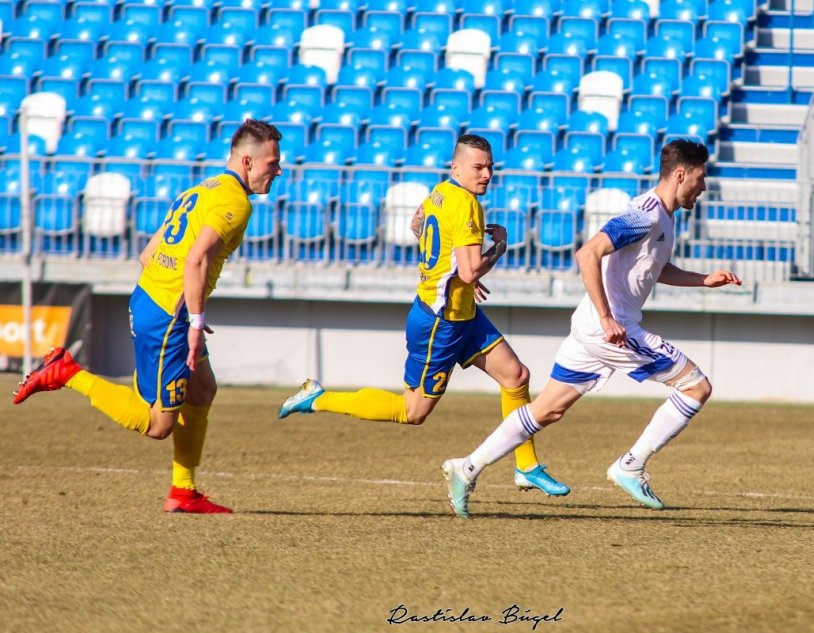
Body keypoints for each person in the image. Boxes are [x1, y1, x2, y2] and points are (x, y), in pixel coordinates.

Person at [441, 139, 743, 518]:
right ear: (681, 174)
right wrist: (606, 317)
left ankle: (466, 468)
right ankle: (630, 465)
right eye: (700, 178)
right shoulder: (644, 215)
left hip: (591, 327)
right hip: (610, 328)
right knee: (696, 387)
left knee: (547, 409)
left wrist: (703, 280)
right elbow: (588, 253)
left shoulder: (664, 218)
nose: (703, 186)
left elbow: (653, 269)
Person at [13, 119, 284, 514]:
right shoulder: (235, 202)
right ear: (247, 161)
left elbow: (148, 253)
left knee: (202, 390)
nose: (278, 170)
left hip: (153, 300)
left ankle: (184, 492)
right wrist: (190, 320)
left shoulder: (202, 189)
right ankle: (67, 372)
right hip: (168, 316)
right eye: (272, 163)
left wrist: (183, 305)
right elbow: (196, 259)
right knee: (158, 424)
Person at [277, 134, 570, 496]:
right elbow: (469, 270)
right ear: (457, 167)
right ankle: (318, 397)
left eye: (491, 167)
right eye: (479, 167)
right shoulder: (466, 205)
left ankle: (527, 466)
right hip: (440, 323)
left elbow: (418, 227)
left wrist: (458, 275)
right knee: (412, 411)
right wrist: (497, 249)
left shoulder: (438, 193)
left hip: (462, 313)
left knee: (515, 375)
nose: (487, 174)